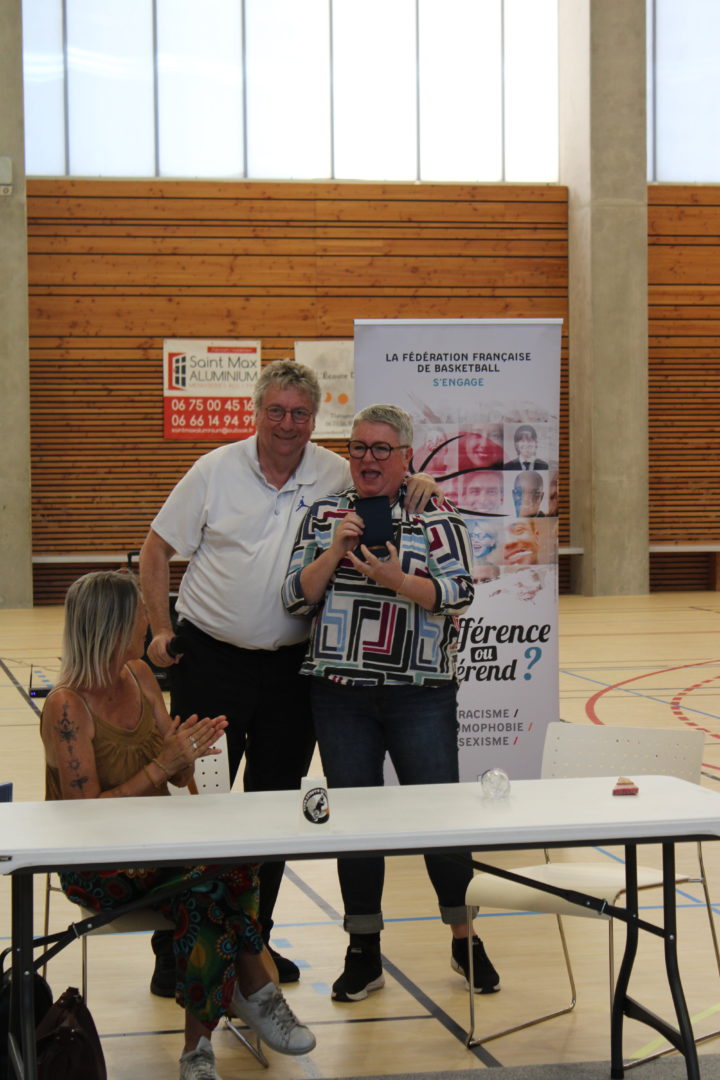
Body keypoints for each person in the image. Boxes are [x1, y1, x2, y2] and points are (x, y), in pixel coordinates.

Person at [139, 359, 438, 984]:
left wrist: (422, 483)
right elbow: (155, 549)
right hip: (211, 663)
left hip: (290, 674)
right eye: (275, 410)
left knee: (274, 809)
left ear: (314, 419)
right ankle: (178, 948)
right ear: (256, 412)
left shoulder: (334, 471)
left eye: (300, 413)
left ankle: (255, 944)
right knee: (195, 804)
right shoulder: (214, 469)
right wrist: (160, 630)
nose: (287, 423)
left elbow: (386, 476)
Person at [40, 570, 315, 1080]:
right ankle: (248, 996)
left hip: (157, 848)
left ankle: (206, 1042)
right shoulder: (67, 705)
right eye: (139, 614)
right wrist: (160, 766)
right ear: (112, 624)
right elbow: (84, 815)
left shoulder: (140, 675)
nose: (148, 622)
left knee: (220, 878)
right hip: (96, 862)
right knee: (211, 883)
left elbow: (174, 771)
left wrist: (185, 756)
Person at [282, 404, 500, 1004]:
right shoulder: (325, 514)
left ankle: (464, 938)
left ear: (406, 456)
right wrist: (334, 550)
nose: (368, 459)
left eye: (382, 449)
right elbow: (295, 598)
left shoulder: (437, 513)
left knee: (440, 819)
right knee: (355, 824)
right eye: (358, 448)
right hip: (340, 696)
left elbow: (458, 594)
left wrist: (395, 578)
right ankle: (363, 951)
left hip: (420, 694)